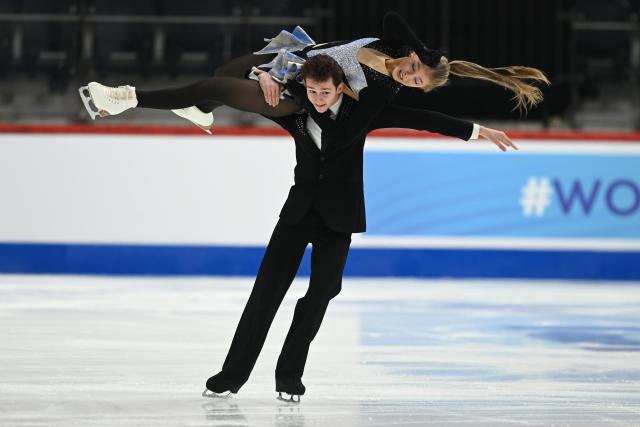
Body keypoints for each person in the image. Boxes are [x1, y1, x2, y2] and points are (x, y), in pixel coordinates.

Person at [201, 54, 517, 403]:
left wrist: (476, 131)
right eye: (312, 91)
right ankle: (230, 376)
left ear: (339, 88)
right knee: (265, 294)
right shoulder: (295, 110)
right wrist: (261, 76)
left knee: (322, 292)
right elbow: (241, 92)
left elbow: (421, 119)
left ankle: (288, 375)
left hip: (339, 217)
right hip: (297, 214)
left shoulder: (361, 114)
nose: (318, 99)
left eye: (324, 92)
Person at [78, 12, 549, 134]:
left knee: (213, 85)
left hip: (299, 97)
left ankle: (122, 98)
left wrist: (474, 130)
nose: (409, 76)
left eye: (417, 82)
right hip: (294, 58)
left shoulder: (383, 90)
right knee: (228, 71)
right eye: (414, 69)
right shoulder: (391, 47)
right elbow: (390, 17)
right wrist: (422, 49)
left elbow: (419, 120)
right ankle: (199, 111)